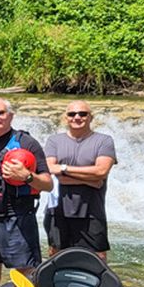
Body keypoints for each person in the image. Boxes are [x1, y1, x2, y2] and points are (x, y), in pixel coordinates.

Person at [0, 98, 53, 287]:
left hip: (18, 218)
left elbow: (48, 184)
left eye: (0, 113)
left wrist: (27, 176)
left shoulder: (27, 142)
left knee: (25, 273)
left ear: (11, 116)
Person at [44, 100, 118, 260]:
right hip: (57, 210)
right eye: (72, 114)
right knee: (55, 256)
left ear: (91, 117)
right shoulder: (54, 141)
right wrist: (89, 180)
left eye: (82, 114)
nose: (77, 117)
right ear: (66, 118)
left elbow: (101, 172)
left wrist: (64, 169)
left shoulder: (104, 141)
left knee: (97, 258)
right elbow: (50, 169)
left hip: (91, 210)